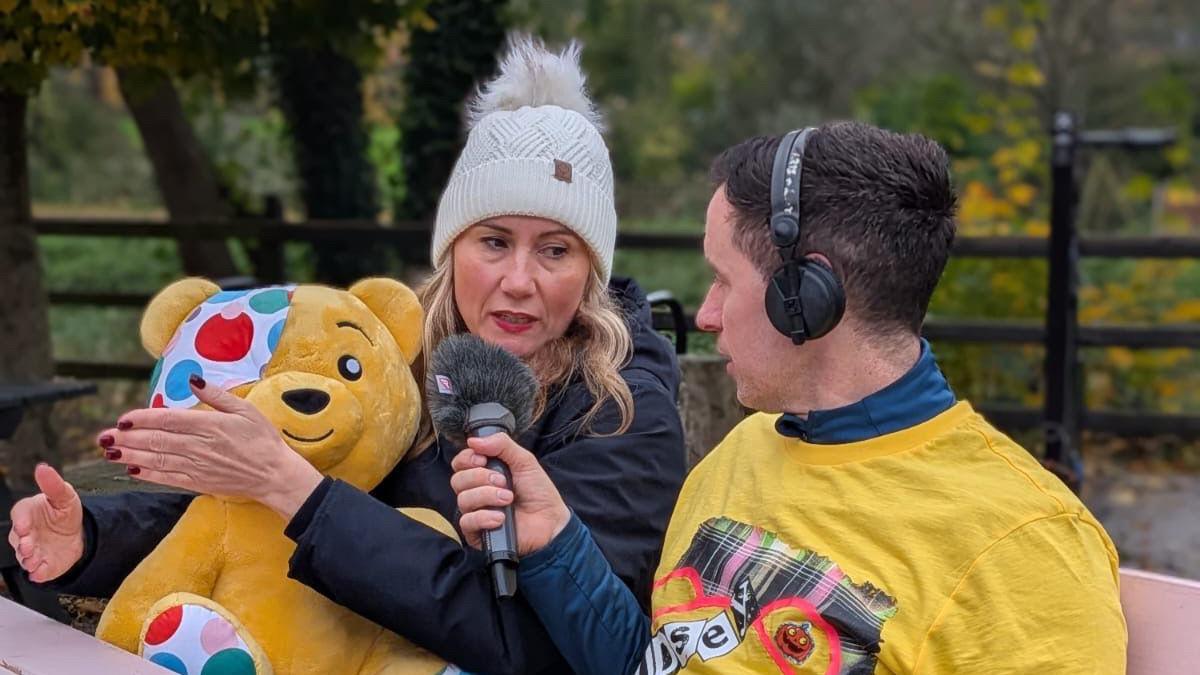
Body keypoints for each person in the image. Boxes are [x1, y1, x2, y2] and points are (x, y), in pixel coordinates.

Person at [7, 36, 686, 674]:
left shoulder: (624, 409)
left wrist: (298, 491)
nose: (519, 279)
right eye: (494, 240)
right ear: (453, 246)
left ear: (591, 268)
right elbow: (239, 512)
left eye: (556, 250)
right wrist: (89, 537)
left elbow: (532, 645)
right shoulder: (401, 360)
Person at [450, 122, 1128, 674]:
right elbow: (653, 665)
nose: (706, 314)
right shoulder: (739, 453)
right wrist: (557, 545)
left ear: (807, 296)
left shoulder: (1024, 548)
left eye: (723, 279)